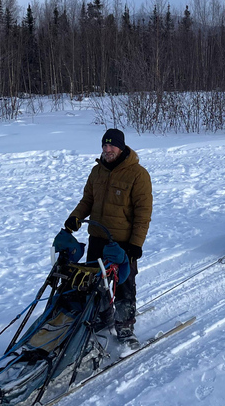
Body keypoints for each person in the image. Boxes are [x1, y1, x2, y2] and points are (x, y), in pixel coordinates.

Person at [64, 128, 153, 347]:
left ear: (121, 147)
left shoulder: (137, 174)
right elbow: (87, 200)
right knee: (95, 284)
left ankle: (124, 327)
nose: (107, 149)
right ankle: (102, 319)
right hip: (97, 237)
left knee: (123, 285)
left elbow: (143, 213)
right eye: (104, 145)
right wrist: (75, 218)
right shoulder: (97, 171)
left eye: (112, 145)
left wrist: (135, 244)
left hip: (122, 243)